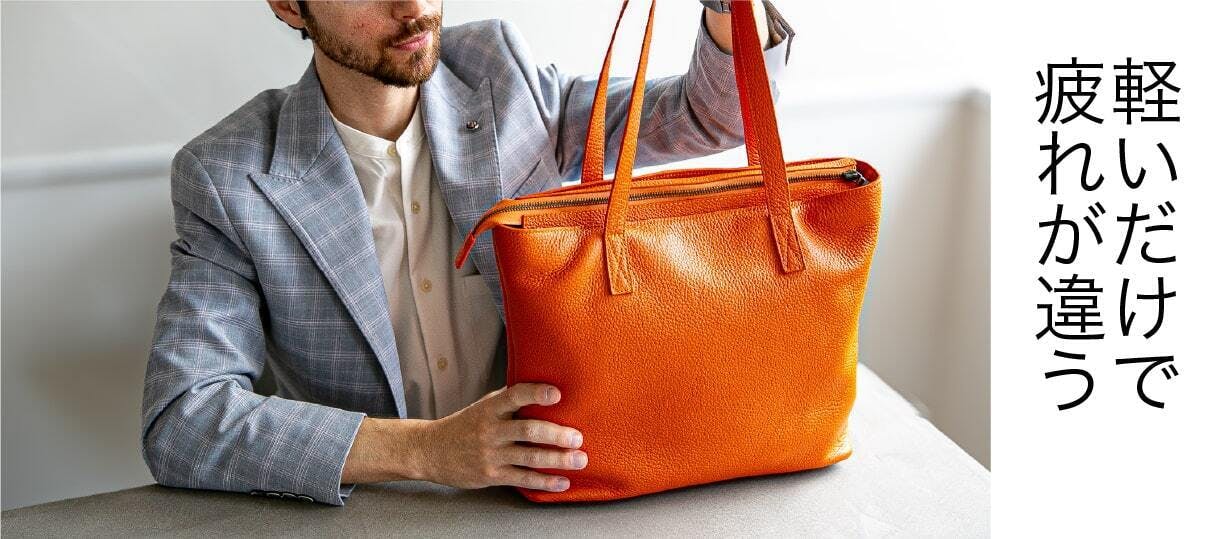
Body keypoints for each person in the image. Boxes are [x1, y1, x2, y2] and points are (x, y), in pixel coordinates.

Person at [140, 0, 794, 506]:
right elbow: (182, 420)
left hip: (562, 488)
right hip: (376, 509)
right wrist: (426, 451)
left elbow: (713, 117)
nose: (413, 7)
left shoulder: (499, 75)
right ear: (289, 6)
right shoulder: (228, 174)